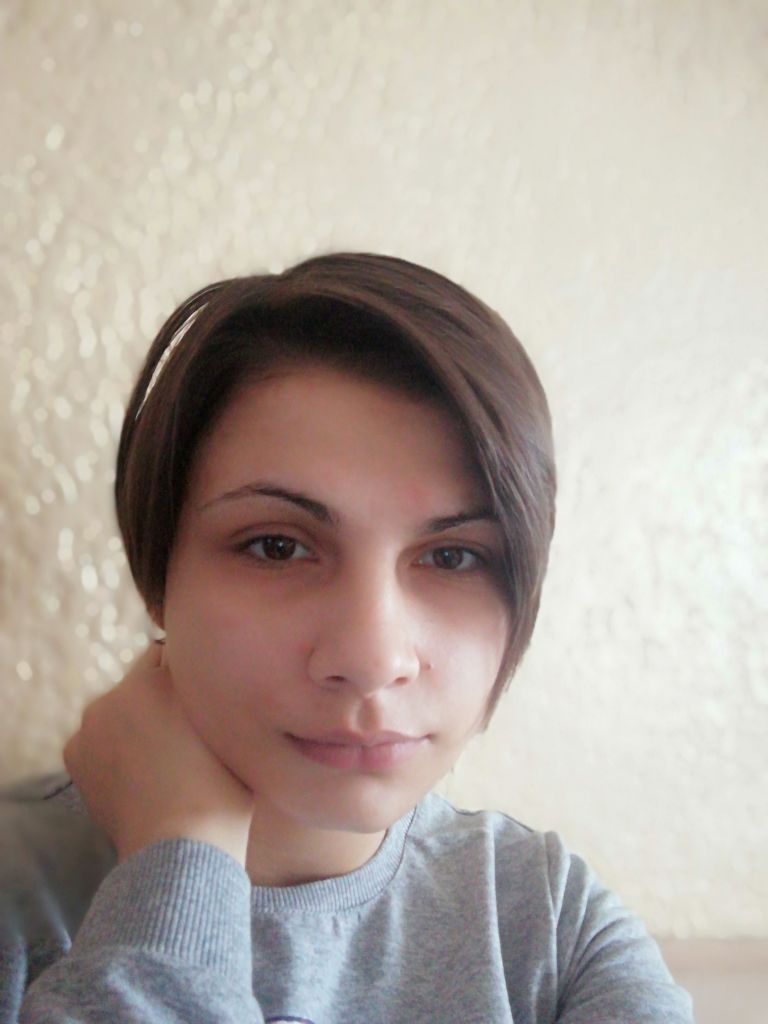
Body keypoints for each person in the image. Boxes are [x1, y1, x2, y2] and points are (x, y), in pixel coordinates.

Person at [0, 252, 694, 1022]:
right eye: (276, 547)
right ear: (156, 572)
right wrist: (180, 856)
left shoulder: (550, 927)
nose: (372, 660)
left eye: (453, 557)